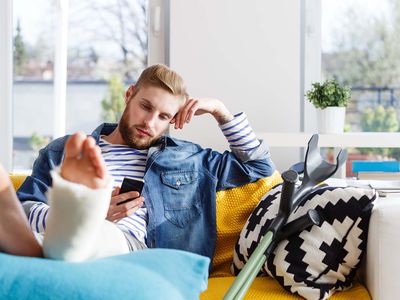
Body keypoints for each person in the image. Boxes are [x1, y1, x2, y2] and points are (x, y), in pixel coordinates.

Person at [17, 64, 275, 261]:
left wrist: (221, 111)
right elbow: (23, 210)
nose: (150, 123)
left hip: (138, 255)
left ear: (173, 120)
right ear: (129, 94)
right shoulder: (64, 150)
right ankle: (72, 230)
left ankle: (74, 231)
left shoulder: (189, 159)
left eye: (163, 116)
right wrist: (91, 214)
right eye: (145, 107)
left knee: (96, 237)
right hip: (61, 246)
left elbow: (258, 167)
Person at [0, 132, 128, 261]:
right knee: (57, 233)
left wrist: (90, 217)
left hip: (126, 237)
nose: (149, 122)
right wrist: (75, 214)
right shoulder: (61, 149)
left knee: (106, 234)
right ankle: (65, 235)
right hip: (47, 231)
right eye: (145, 109)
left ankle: (64, 237)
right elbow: (27, 205)